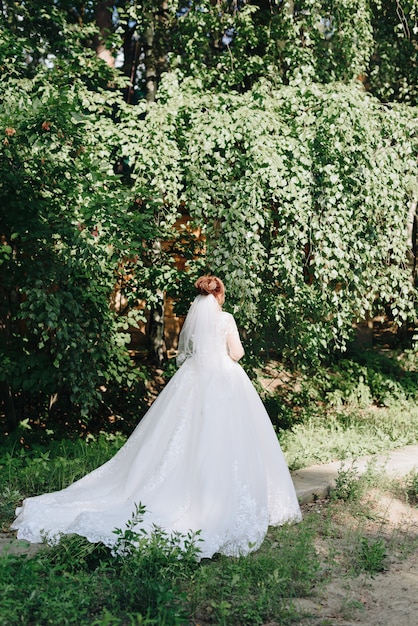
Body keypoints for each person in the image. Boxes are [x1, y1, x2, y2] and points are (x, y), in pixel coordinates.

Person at [12, 276, 301, 559]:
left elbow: (188, 350)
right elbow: (236, 354)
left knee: (178, 435)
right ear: (219, 295)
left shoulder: (194, 318)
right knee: (228, 438)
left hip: (194, 378)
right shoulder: (225, 319)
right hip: (224, 381)